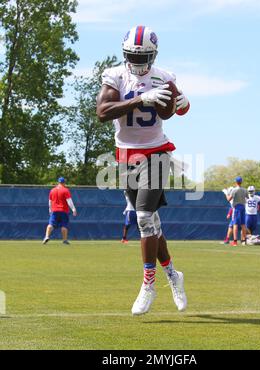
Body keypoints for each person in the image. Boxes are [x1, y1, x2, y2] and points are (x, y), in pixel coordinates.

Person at [96, 25, 190, 316]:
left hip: (157, 151)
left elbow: (177, 109)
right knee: (152, 223)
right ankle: (173, 275)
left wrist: (181, 103)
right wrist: (140, 99)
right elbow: (102, 113)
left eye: (144, 57)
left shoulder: (163, 76)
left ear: (154, 54)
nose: (138, 63)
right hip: (126, 156)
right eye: (133, 57)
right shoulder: (115, 76)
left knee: (145, 217)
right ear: (124, 54)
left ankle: (148, 283)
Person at [43, 177, 77, 245]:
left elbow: (50, 201)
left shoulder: (52, 190)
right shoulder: (65, 190)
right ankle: (64, 240)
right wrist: (73, 209)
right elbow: (69, 201)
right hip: (63, 210)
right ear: (64, 183)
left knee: (51, 224)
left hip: (54, 210)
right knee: (64, 225)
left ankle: (47, 236)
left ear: (58, 182)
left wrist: (50, 210)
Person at [226, 176, 248, 246]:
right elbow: (247, 197)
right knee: (243, 224)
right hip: (243, 207)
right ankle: (244, 241)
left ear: (236, 182)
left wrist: (227, 194)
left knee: (235, 224)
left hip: (237, 208)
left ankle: (235, 241)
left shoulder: (234, 190)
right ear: (241, 182)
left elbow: (229, 199)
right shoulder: (245, 190)